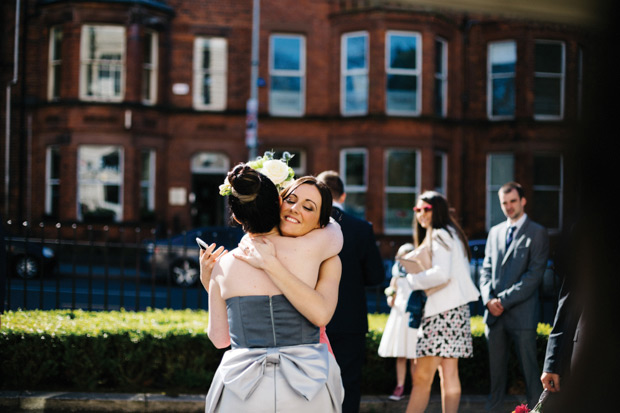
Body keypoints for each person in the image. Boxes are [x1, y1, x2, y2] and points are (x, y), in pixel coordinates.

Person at [201, 165, 345, 412]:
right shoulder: (319, 252)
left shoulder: (222, 267)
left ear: (236, 217)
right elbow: (335, 232)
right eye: (291, 200)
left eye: (308, 206)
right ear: (278, 202)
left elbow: (219, 339)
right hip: (308, 383)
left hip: (242, 388)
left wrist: (212, 280)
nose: (296, 208)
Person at [403, 191, 480, 413]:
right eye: (417, 210)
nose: (421, 214)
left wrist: (412, 279)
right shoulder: (451, 233)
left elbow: (441, 273)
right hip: (455, 312)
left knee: (421, 378)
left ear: (438, 210)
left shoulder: (439, 234)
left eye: (426, 209)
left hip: (441, 312)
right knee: (449, 375)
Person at [316, 170, 385, 413]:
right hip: (350, 319)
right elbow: (377, 276)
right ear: (342, 196)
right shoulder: (361, 228)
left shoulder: (308, 227)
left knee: (313, 382)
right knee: (349, 383)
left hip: (312, 316)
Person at [479, 181, 549, 412]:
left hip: (523, 315)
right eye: (504, 203)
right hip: (494, 316)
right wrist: (488, 299)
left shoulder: (537, 232)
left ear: (522, 201)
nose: (508, 207)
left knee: (531, 375)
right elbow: (485, 269)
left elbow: (534, 275)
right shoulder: (495, 232)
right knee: (496, 378)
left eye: (512, 201)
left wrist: (503, 300)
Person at [378, 242, 417, 401]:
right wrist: (390, 297)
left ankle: (416, 387)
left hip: (413, 315)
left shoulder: (417, 275)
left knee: (414, 355)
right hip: (399, 315)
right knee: (401, 354)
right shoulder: (397, 275)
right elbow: (392, 291)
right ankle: (400, 385)